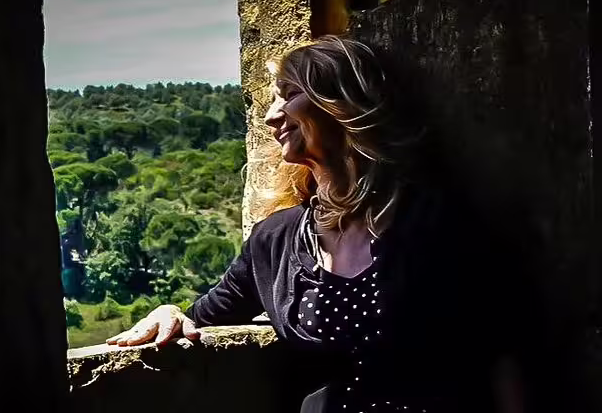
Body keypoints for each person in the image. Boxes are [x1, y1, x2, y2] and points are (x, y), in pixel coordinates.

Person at [106, 36, 520, 413]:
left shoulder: (437, 224)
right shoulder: (276, 241)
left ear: (342, 102)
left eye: (288, 95)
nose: (271, 117)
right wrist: (167, 311)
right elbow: (204, 315)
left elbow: (503, 355)